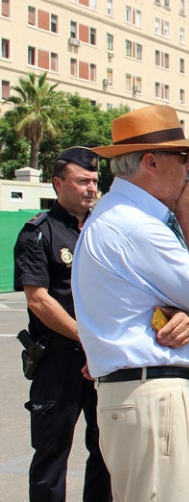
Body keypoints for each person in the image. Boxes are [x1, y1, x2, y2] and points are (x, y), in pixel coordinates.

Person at [72, 104, 189, 501]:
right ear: (151, 161)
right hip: (152, 396)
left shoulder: (117, 216)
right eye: (185, 162)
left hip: (141, 394)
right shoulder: (137, 226)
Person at [13, 145, 112, 502]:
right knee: (51, 454)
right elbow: (38, 299)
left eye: (95, 181)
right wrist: (85, 337)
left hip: (102, 358)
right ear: (57, 183)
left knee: (106, 451)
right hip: (59, 358)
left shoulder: (103, 231)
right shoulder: (39, 233)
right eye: (82, 180)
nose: (91, 188)